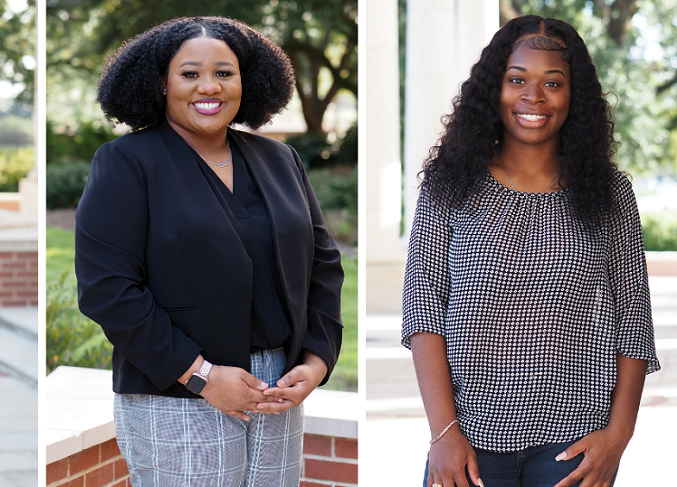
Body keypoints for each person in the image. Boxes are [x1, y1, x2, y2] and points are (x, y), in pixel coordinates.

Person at [74, 16, 344, 487]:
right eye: (190, 73)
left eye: (224, 72)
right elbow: (107, 290)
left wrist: (315, 362)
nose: (209, 87)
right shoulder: (125, 163)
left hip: (278, 388)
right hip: (176, 388)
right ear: (161, 83)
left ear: (246, 81)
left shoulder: (280, 160)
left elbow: (322, 266)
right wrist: (201, 375)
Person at [402, 15, 659, 487]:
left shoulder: (610, 193)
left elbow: (634, 322)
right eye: (517, 79)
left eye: (553, 83)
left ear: (573, 95)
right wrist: (443, 434)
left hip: (577, 445)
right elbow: (423, 314)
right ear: (493, 88)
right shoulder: (449, 186)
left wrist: (619, 434)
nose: (533, 96)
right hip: (470, 443)